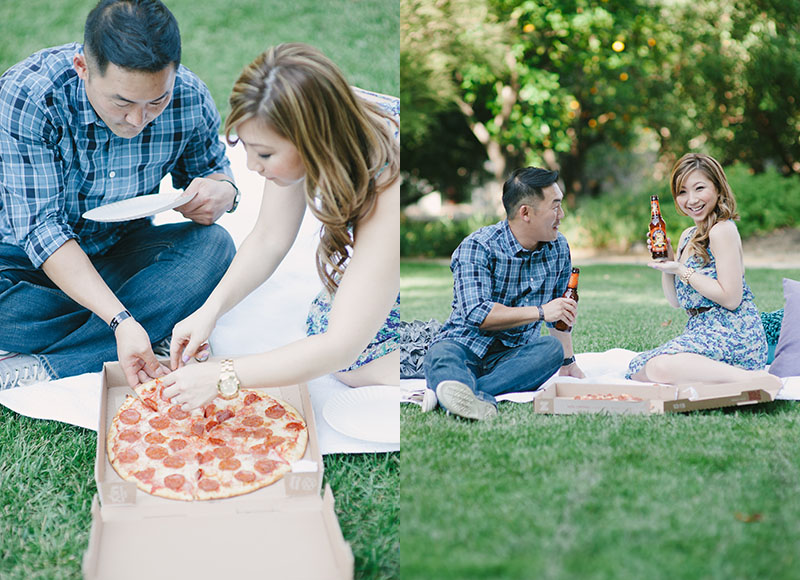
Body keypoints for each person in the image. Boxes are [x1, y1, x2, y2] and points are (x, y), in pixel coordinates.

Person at [0, 0, 238, 391]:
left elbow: (214, 171)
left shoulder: (189, 96)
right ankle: (140, 326)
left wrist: (222, 192)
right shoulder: (29, 96)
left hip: (120, 246)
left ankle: (55, 358)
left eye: (156, 102)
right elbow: (40, 230)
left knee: (215, 248)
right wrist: (120, 320)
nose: (137, 119)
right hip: (21, 258)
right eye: (122, 102)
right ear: (83, 69)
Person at [159, 43, 400, 410]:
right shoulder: (309, 110)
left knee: (354, 363)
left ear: (312, 141)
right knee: (327, 330)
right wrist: (209, 311)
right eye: (246, 147)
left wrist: (223, 374)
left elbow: (341, 346)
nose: (252, 167)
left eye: (265, 154)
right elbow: (270, 237)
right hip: (374, 264)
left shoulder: (388, 179)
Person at [423, 167, 585, 421]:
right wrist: (541, 312)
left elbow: (560, 314)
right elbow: (478, 313)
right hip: (464, 345)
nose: (561, 215)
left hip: (514, 355)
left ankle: (456, 392)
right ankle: (463, 390)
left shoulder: (558, 247)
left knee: (550, 350)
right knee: (441, 354)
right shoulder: (478, 246)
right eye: (555, 207)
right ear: (525, 213)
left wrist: (568, 363)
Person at [627, 153, 778, 385]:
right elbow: (675, 301)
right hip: (702, 330)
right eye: (682, 192)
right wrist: (667, 264)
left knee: (659, 367)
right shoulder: (688, 235)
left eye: (699, 188)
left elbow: (732, 298)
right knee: (639, 368)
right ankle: (725, 376)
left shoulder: (722, 230)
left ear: (718, 188)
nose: (692, 199)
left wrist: (682, 270)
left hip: (733, 332)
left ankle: (752, 378)